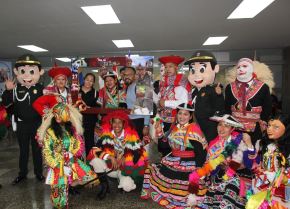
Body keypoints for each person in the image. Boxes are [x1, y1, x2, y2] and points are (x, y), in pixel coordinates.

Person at [141, 103, 208, 209]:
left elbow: (201, 153)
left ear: (190, 116)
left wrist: (198, 169)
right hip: (172, 160)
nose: (182, 117)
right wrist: (159, 132)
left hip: (188, 163)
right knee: (150, 170)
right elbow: (164, 147)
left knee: (182, 190)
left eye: (185, 114)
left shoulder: (194, 129)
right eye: (180, 113)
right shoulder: (175, 128)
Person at [188, 113, 255, 208]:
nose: (221, 128)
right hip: (218, 177)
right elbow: (210, 168)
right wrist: (216, 166)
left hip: (240, 175)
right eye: (220, 125)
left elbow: (249, 164)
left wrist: (249, 144)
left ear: (232, 129)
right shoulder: (213, 143)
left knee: (233, 183)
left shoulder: (240, 141)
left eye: (226, 126)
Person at [37, 102, 97, 209]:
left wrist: (71, 155)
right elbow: (47, 152)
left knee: (91, 178)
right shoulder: (50, 132)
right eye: (55, 114)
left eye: (60, 114)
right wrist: (56, 165)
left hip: (71, 161)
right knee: (59, 203)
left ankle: (71, 184)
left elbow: (79, 144)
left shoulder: (72, 130)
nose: (57, 117)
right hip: (58, 166)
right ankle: (64, 189)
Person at [2, 54, 45, 185]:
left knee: (37, 150)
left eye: (32, 71)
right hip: (22, 125)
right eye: (23, 71)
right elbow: (6, 104)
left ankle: (39, 173)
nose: (27, 75)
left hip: (37, 124)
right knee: (24, 150)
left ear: (40, 72)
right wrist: (8, 90)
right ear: (17, 72)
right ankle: (22, 174)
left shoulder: (42, 89)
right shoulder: (14, 89)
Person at [87, 110, 148, 199]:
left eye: (120, 122)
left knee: (127, 187)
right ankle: (104, 187)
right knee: (96, 160)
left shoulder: (131, 135)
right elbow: (94, 150)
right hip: (110, 167)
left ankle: (121, 181)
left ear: (124, 124)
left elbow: (139, 152)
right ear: (111, 123)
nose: (117, 125)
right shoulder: (105, 135)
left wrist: (126, 157)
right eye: (114, 122)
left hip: (124, 170)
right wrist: (110, 157)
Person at [225, 58, 272, 144]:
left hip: (255, 130)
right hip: (234, 129)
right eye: (238, 67)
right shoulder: (229, 87)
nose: (240, 69)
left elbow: (267, 107)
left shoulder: (263, 87)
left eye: (244, 66)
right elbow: (226, 107)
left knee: (253, 154)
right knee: (234, 154)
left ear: (251, 69)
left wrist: (263, 123)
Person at [247, 114, 290, 208]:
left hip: (281, 194)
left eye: (276, 127)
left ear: (286, 129)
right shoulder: (267, 146)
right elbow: (259, 166)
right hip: (264, 186)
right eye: (269, 126)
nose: (269, 129)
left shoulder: (287, 152)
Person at [185, 50, 225, 144]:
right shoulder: (193, 90)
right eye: (193, 70)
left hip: (209, 128)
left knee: (209, 149)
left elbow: (220, 109)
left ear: (215, 68)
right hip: (195, 127)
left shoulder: (213, 90)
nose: (196, 74)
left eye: (202, 69)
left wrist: (219, 95)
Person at [158, 55, 191, 156]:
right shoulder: (163, 83)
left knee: (175, 147)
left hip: (176, 121)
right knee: (163, 147)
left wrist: (166, 103)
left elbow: (184, 103)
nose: (168, 69)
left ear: (177, 67)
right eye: (166, 67)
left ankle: (175, 167)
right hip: (163, 120)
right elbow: (160, 98)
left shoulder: (182, 81)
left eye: (170, 66)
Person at [123, 66, 150, 140]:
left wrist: (146, 125)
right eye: (125, 75)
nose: (126, 77)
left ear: (135, 75)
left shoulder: (140, 85)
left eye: (129, 75)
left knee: (137, 147)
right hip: (130, 121)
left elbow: (147, 106)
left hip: (139, 122)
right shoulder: (128, 87)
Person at [79, 73, 99, 155]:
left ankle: (90, 163)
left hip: (90, 122)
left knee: (89, 143)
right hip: (78, 121)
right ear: (84, 80)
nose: (88, 82)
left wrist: (89, 108)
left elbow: (98, 108)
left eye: (91, 81)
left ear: (93, 83)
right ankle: (77, 164)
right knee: (77, 142)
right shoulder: (76, 91)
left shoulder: (96, 93)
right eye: (87, 80)